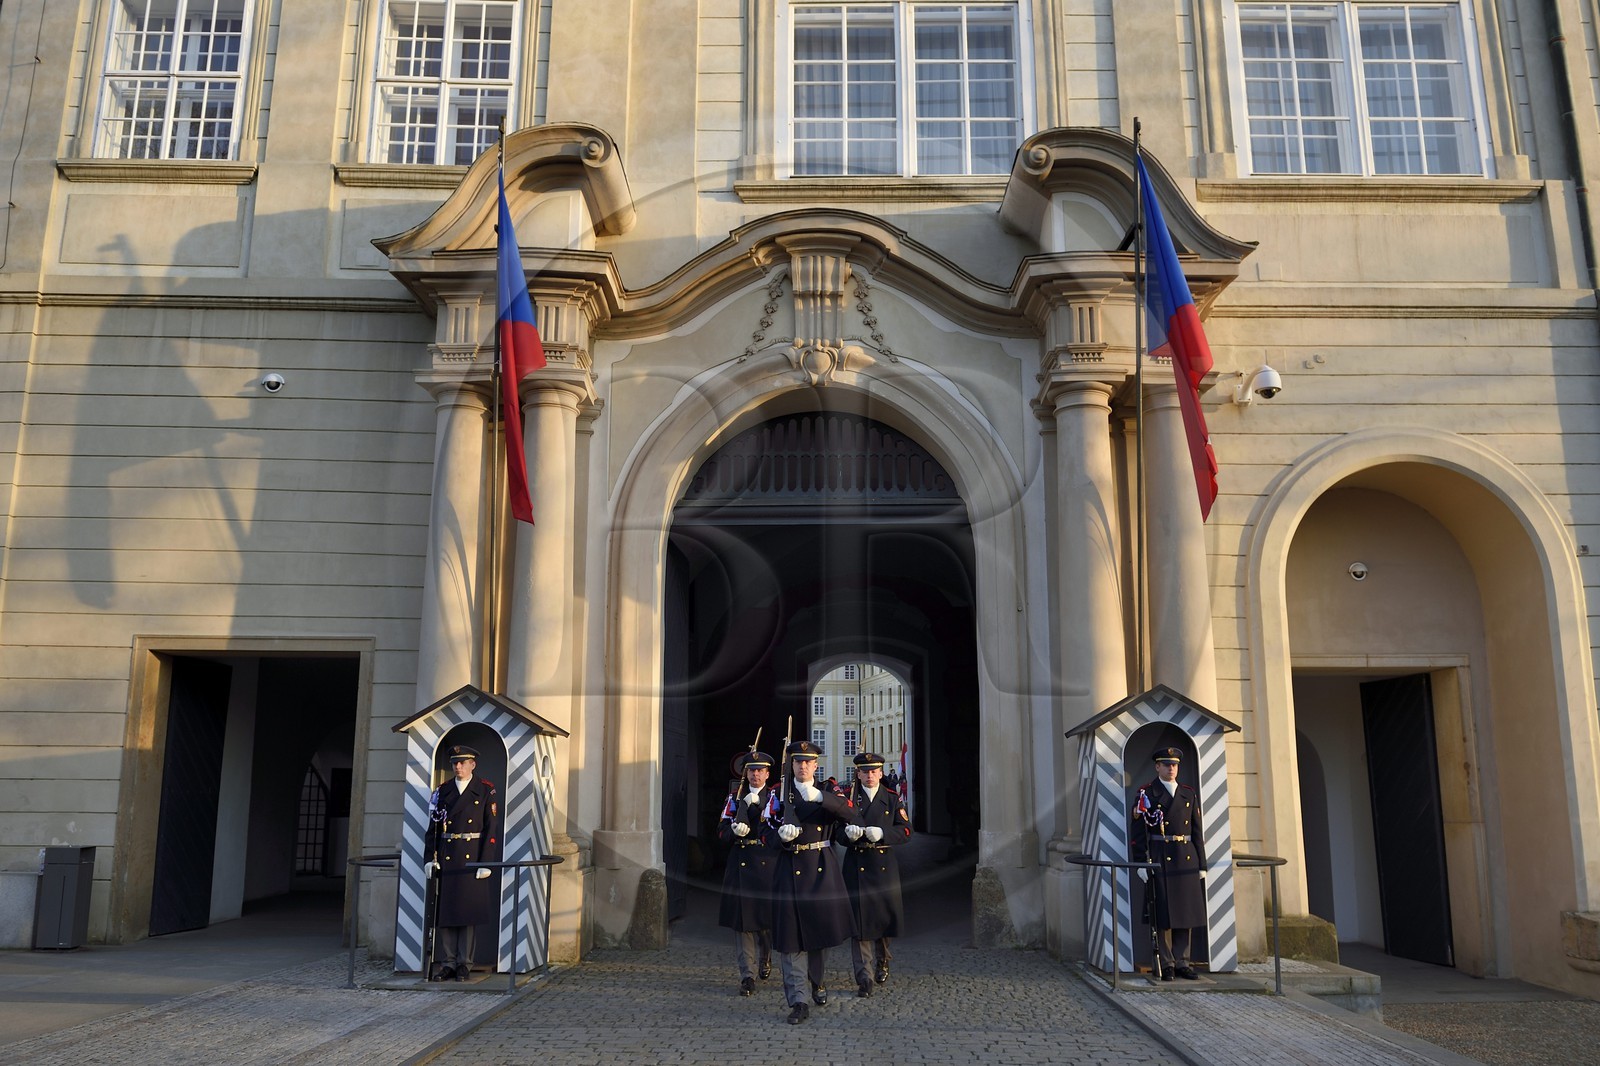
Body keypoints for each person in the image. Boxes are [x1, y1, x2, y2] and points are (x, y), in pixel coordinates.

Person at [765, 740, 854, 1024]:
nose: (802, 766)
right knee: (791, 939)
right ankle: (798, 1000)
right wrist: (781, 837)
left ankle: (817, 980)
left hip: (820, 868)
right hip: (790, 870)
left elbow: (851, 812)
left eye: (808, 762)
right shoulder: (777, 794)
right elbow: (762, 832)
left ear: (816, 765)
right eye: (797, 762)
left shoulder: (828, 790)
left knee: (818, 935)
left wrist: (820, 798)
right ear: (790, 765)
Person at [836, 751, 911, 997]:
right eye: (864, 771)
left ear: (880, 772)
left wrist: (883, 834)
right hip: (857, 864)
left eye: (873, 771)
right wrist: (847, 836)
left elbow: (906, 832)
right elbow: (835, 832)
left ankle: (883, 959)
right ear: (857, 773)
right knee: (859, 923)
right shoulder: (848, 799)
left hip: (882, 865)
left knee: (882, 919)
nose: (869, 775)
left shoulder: (891, 798)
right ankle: (864, 977)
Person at [1129, 746, 1206, 980]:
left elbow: (1196, 830)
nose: (1171, 768)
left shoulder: (1188, 793)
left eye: (1174, 764)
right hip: (1160, 856)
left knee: (1186, 913)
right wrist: (1141, 863)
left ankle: (1183, 961)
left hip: (1186, 857)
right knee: (1161, 913)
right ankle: (1166, 962)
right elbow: (1139, 831)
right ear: (1157, 767)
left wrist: (1202, 864)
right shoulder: (1147, 794)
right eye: (1166, 764)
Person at [425, 745, 500, 981]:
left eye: (463, 762)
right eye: (455, 763)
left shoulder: (485, 790)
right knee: (446, 912)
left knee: (467, 913)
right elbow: (433, 829)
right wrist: (430, 858)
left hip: (471, 857)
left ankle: (464, 963)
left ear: (472, 764)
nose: (458, 767)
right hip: (448, 854)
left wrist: (485, 862)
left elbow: (491, 828)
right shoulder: (443, 790)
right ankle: (448, 962)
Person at [717, 748, 777, 996]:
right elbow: (721, 831)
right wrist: (734, 831)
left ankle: (765, 957)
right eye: (751, 770)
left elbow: (779, 827)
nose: (755, 775)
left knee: (764, 921)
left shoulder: (775, 798)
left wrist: (759, 805)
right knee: (743, 924)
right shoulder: (734, 797)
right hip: (741, 861)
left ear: (767, 773)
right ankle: (747, 975)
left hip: (765, 863)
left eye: (760, 770)